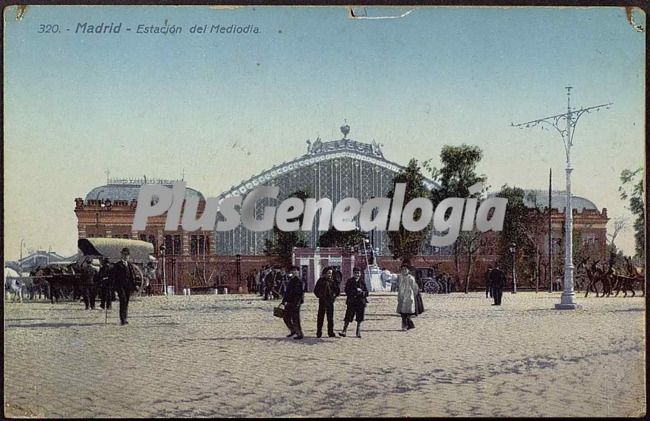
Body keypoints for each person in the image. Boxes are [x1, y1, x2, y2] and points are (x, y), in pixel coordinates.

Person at [109, 248, 138, 325]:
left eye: (127, 255)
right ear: (121, 255)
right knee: (123, 300)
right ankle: (122, 319)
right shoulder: (117, 265)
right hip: (120, 286)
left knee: (126, 302)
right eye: (124, 255)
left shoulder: (130, 265)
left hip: (128, 287)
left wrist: (135, 285)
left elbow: (133, 275)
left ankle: (125, 318)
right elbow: (114, 276)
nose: (125, 256)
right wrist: (113, 287)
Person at [339, 267, 368, 338]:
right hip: (352, 302)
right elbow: (347, 291)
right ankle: (344, 330)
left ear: (360, 274)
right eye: (356, 273)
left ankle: (358, 331)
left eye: (358, 273)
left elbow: (367, 292)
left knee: (360, 318)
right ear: (353, 273)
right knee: (348, 316)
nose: (357, 274)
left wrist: (362, 292)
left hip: (361, 302)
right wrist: (355, 291)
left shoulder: (362, 281)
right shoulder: (350, 281)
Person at [313, 267, 340, 338]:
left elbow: (337, 291)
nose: (330, 274)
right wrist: (320, 296)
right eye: (328, 273)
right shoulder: (320, 281)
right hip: (322, 301)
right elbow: (315, 291)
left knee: (330, 318)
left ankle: (330, 332)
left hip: (330, 301)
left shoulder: (333, 281)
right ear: (325, 273)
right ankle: (319, 332)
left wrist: (334, 296)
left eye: (331, 273)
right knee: (320, 317)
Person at [281, 265, 304, 340]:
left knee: (295, 318)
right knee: (286, 317)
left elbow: (300, 293)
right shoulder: (291, 280)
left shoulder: (299, 280)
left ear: (298, 272)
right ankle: (293, 330)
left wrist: (298, 302)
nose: (293, 272)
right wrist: (284, 301)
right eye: (292, 271)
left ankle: (299, 333)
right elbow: (287, 292)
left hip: (295, 302)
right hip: (289, 302)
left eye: (295, 271)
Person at [396, 264, 419, 331]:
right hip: (401, 296)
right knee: (402, 313)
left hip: (409, 296)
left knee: (407, 313)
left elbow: (414, 287)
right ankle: (409, 325)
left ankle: (405, 326)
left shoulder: (411, 278)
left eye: (405, 269)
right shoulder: (400, 277)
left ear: (408, 270)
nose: (404, 271)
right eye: (403, 269)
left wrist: (415, 295)